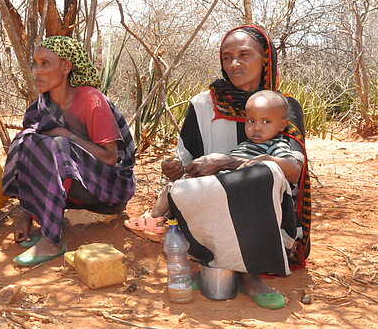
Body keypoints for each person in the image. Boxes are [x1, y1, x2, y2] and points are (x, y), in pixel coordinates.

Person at [126, 25, 310, 310]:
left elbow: (292, 170)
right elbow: (186, 164)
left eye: (244, 55)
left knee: (264, 174)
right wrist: (177, 168)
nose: (234, 64)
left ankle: (250, 275)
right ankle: (211, 262)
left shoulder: (281, 107)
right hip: (210, 203)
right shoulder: (202, 105)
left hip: (268, 208)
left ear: (265, 58)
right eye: (227, 57)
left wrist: (230, 162)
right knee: (186, 189)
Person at [2, 36, 136, 266]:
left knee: (56, 146)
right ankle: (44, 218)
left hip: (108, 191)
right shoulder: (40, 107)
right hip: (71, 191)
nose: (37, 71)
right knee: (29, 140)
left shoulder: (91, 99)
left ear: (66, 67)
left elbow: (111, 158)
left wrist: (67, 136)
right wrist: (25, 216)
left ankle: (51, 240)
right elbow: (32, 160)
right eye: (35, 64)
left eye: (46, 63)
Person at [134, 89, 304, 225]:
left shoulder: (277, 145)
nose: (257, 128)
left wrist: (259, 161)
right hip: (224, 188)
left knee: (177, 191)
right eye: (251, 121)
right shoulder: (246, 145)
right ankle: (158, 220)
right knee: (176, 187)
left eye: (266, 122)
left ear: (282, 125)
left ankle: (154, 220)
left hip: (237, 195)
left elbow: (291, 168)